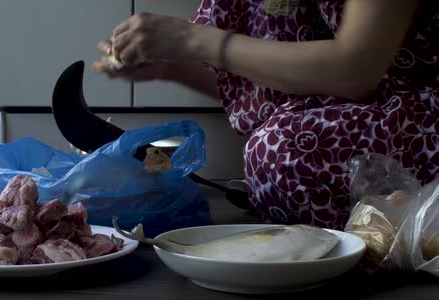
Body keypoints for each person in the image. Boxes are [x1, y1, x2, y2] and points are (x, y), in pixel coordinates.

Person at [92, 0, 439, 230]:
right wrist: (169, 66)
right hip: (381, 107)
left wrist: (188, 38)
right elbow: (279, 86)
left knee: (278, 154)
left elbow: (355, 69)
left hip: (428, 111)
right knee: (275, 149)